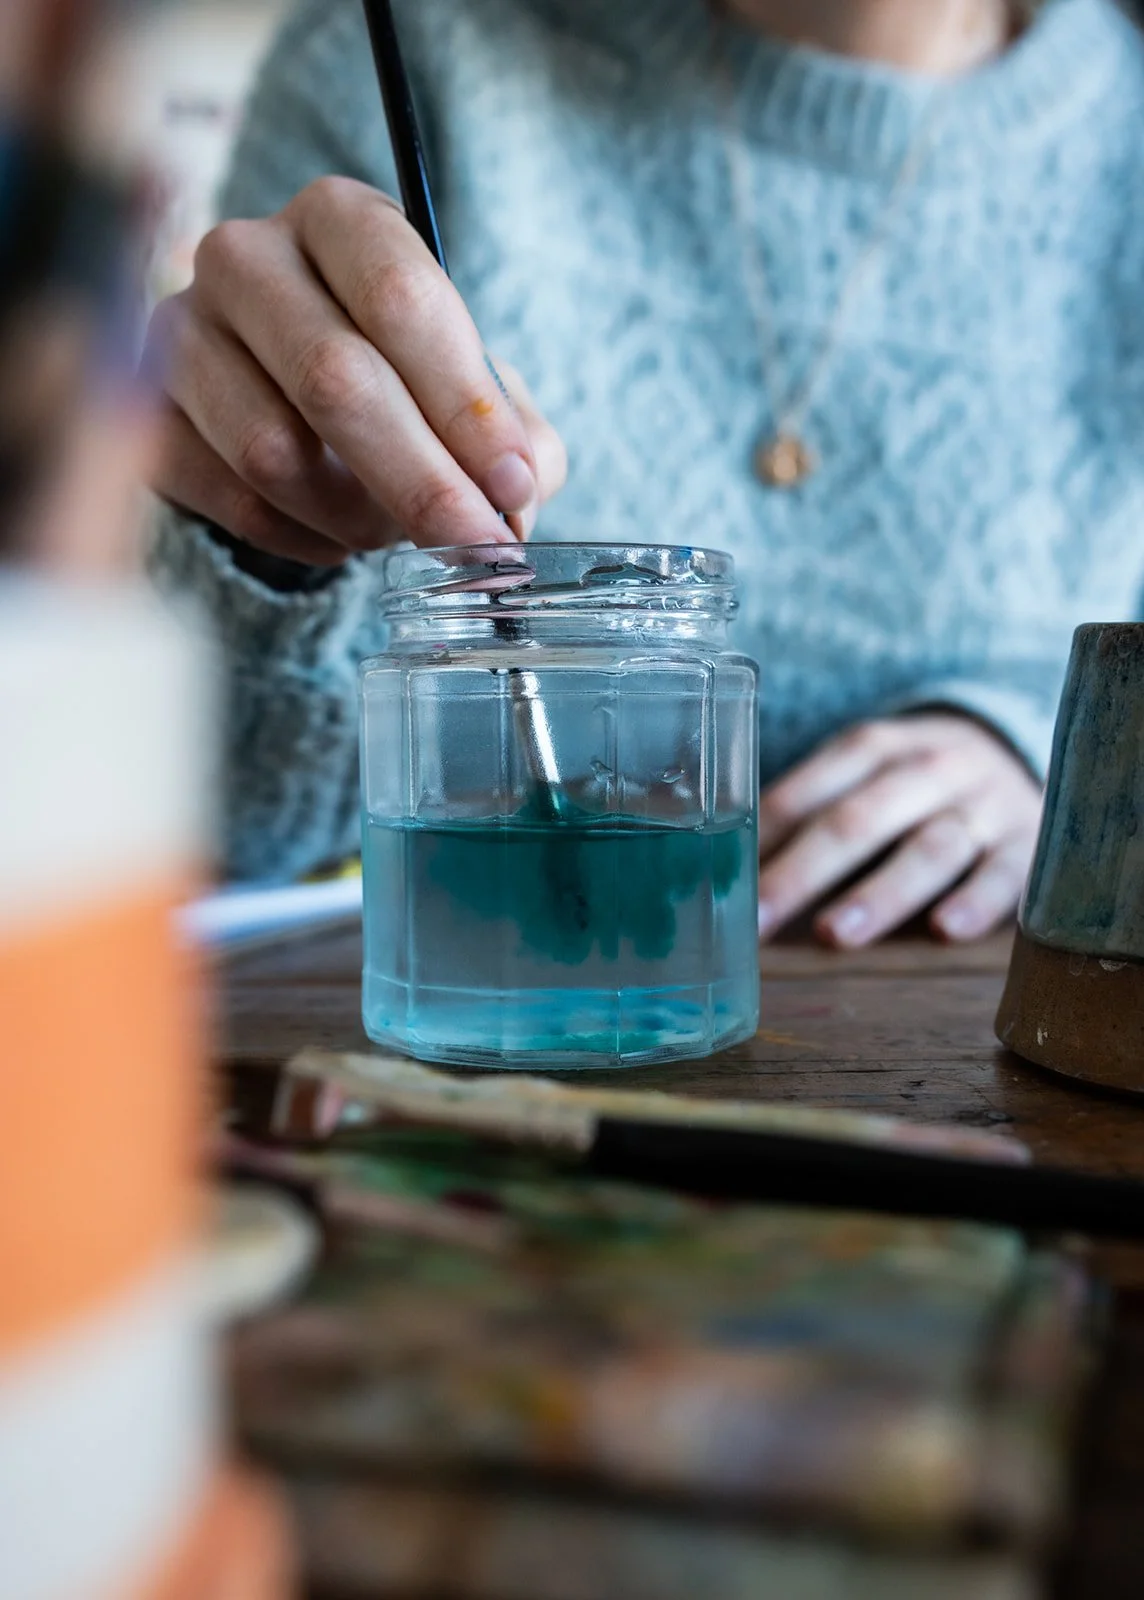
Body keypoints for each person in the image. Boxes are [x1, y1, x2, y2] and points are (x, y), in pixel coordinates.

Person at [146, 0, 1144, 946]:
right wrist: (263, 555)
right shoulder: (394, 61)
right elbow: (235, 821)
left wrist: (1080, 777)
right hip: (476, 1022)